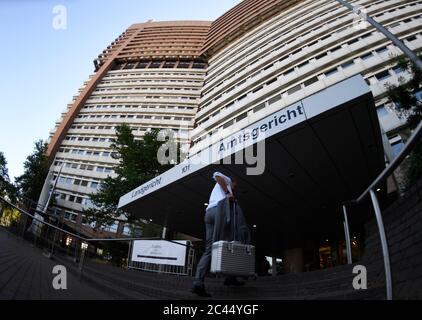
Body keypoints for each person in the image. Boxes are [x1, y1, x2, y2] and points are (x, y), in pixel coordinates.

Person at [191, 171, 244, 297]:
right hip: (219, 211)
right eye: (236, 185)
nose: (235, 188)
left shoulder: (223, 187)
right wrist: (229, 193)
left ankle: (198, 283)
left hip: (209, 213)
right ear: (233, 181)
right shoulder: (227, 180)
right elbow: (217, 175)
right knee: (232, 242)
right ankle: (230, 278)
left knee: (210, 249)